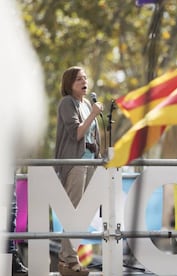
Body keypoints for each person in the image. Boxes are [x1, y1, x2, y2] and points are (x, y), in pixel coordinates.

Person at [54, 66, 103, 276]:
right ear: (69, 84)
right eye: (78, 79)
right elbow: (77, 133)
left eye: (85, 78)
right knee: (73, 211)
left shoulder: (85, 104)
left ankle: (68, 259)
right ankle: (68, 261)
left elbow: (93, 138)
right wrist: (93, 114)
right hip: (75, 163)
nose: (84, 82)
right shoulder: (68, 103)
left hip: (90, 163)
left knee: (82, 214)